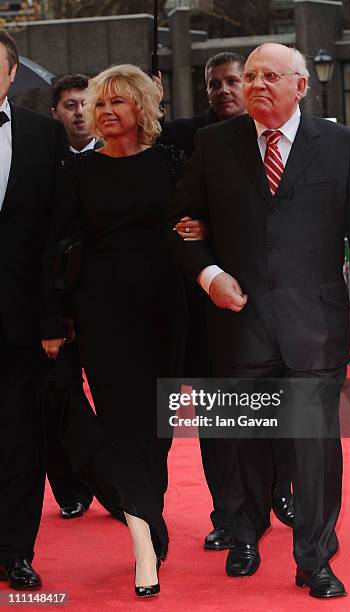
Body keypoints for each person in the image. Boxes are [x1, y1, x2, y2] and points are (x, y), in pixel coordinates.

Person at [170, 43, 350, 598]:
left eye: (270, 75)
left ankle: (314, 557)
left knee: (315, 446)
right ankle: (245, 533)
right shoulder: (213, 144)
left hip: (315, 324)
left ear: (301, 85)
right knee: (243, 440)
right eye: (250, 76)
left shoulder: (342, 145)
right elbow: (180, 224)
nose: (257, 83)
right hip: (238, 322)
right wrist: (209, 276)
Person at [42, 64, 186, 599]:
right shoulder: (77, 171)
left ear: (142, 108)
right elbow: (59, 245)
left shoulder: (170, 160)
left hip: (165, 310)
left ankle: (150, 512)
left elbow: (195, 216)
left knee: (158, 427)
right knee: (123, 425)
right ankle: (143, 544)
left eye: (118, 102)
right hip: (101, 313)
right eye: (100, 103)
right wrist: (56, 317)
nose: (104, 111)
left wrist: (199, 226)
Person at [163, 52, 295, 551]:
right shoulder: (189, 138)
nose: (225, 90)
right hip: (212, 309)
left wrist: (211, 227)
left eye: (234, 80)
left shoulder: (291, 135)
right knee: (220, 422)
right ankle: (230, 514)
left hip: (279, 308)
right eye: (215, 83)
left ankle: (280, 489)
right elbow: (179, 217)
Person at [0, 30, 68, 589]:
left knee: (22, 437)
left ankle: (16, 549)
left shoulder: (44, 136)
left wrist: (52, 319)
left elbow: (57, 236)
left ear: (12, 72)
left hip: (21, 320)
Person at [42, 74, 97, 520]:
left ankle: (122, 488)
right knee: (57, 395)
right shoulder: (41, 160)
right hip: (55, 304)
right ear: (54, 112)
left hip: (106, 303)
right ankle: (71, 487)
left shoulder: (122, 154)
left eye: (86, 103)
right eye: (70, 105)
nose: (80, 112)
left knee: (115, 398)